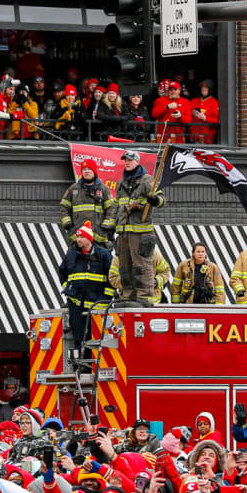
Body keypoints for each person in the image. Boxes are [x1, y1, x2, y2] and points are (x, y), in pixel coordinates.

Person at [112, 150, 165, 305]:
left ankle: (145, 297)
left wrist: (154, 200)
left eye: (130, 160)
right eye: (125, 160)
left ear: (137, 162)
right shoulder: (122, 183)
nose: (127, 163)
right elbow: (116, 206)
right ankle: (128, 296)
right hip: (123, 233)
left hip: (141, 233)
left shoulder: (147, 180)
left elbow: (162, 199)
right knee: (125, 267)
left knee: (141, 266)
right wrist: (111, 227)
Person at [57, 222, 115, 360]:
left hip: (98, 304)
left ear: (89, 238)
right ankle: (80, 362)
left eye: (81, 237)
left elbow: (112, 277)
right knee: (78, 334)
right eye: (77, 237)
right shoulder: (71, 255)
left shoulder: (104, 255)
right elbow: (62, 272)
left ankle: (94, 361)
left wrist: (106, 297)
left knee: (95, 337)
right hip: (76, 302)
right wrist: (67, 287)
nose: (78, 240)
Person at [59, 158, 115, 246]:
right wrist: (67, 223)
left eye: (89, 169)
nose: (86, 171)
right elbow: (64, 207)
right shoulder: (73, 189)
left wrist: (106, 225)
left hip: (98, 235)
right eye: (84, 169)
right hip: (77, 236)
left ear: (94, 171)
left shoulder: (104, 190)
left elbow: (112, 209)